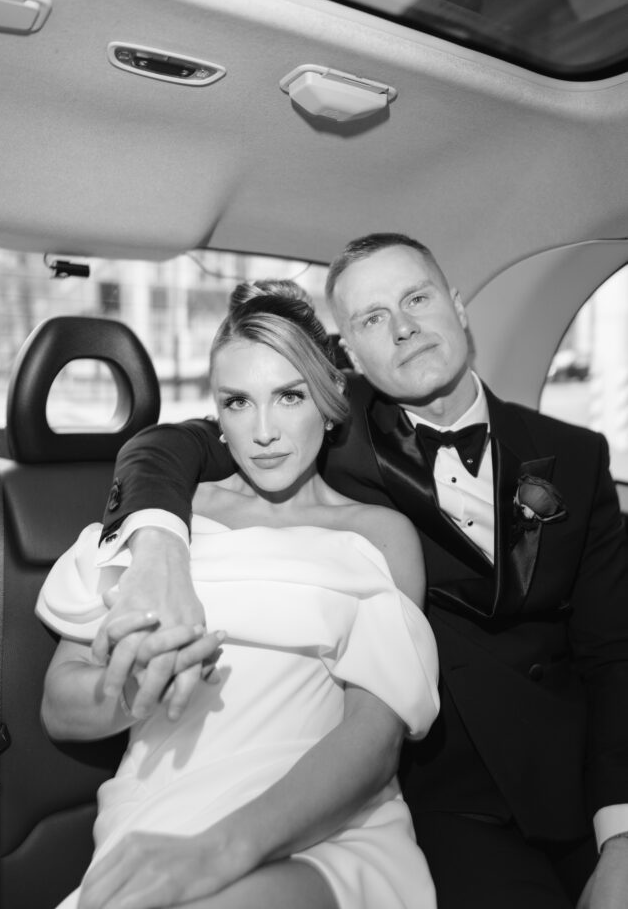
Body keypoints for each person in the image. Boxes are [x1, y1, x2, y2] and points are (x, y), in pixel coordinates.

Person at [95, 234, 628, 909]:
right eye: (372, 318)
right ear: (347, 352)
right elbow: (165, 446)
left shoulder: (573, 454)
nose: (402, 327)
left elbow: (614, 658)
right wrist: (159, 549)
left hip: (578, 773)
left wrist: (620, 838)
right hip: (448, 791)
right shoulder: (320, 426)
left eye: (415, 298)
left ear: (457, 306)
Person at [36, 279, 440, 909]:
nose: (264, 431)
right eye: (238, 402)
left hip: (317, 822)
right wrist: (135, 689)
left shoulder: (379, 535)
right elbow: (61, 708)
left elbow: (376, 734)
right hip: (157, 817)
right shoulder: (157, 524)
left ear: (329, 400)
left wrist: (221, 851)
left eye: (288, 396)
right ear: (215, 417)